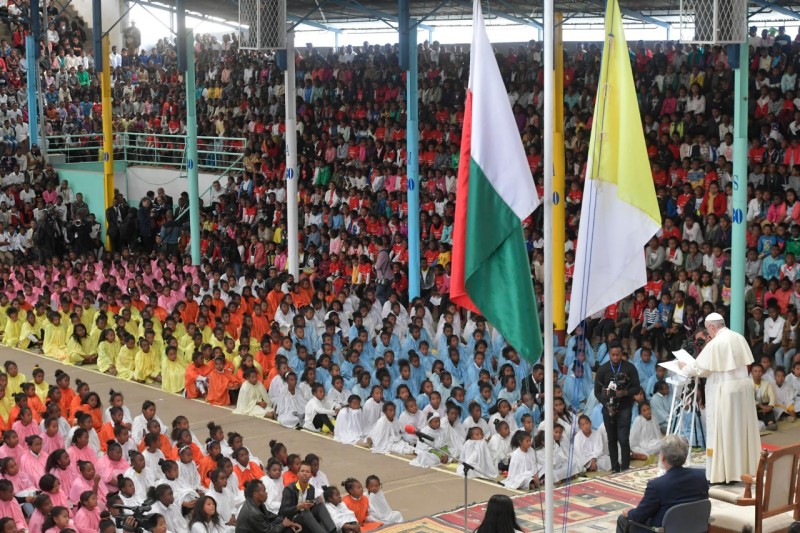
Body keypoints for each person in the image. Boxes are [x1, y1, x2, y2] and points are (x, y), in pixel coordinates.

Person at [681, 314, 761, 483]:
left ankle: (724, 474)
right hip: (742, 391)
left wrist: (684, 366)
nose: (708, 334)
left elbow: (699, 369)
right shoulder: (738, 337)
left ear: (711, 327)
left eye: (708, 330)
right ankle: (743, 470)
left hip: (725, 394)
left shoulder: (716, 343)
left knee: (724, 432)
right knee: (740, 431)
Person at [616, 435, 709, 533]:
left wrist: (630, 513)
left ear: (662, 457)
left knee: (623, 520)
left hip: (664, 530)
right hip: (695, 528)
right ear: (685, 457)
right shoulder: (700, 477)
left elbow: (638, 517)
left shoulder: (657, 485)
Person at [594, 341, 640, 472]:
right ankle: (615, 468)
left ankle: (625, 468)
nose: (615, 357)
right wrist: (606, 404)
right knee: (611, 439)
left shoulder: (630, 368)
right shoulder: (602, 369)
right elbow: (597, 391)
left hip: (625, 407)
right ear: (609, 354)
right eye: (613, 355)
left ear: (621, 354)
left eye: (618, 355)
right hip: (608, 408)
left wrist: (625, 393)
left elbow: (637, 387)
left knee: (624, 439)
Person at [279, 462, 337, 533]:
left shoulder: (311, 488)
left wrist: (314, 502)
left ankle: (333, 531)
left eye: (307, 472)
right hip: (293, 519)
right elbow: (283, 511)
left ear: (311, 475)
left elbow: (310, 507)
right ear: (298, 473)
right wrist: (298, 507)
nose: (304, 473)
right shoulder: (289, 489)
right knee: (306, 513)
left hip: (307, 518)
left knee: (320, 506)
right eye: (302, 471)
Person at [236, 480, 301, 533]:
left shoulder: (258, 503)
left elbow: (271, 516)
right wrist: (283, 524)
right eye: (264, 491)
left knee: (287, 528)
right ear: (255, 494)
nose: (266, 493)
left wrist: (289, 523)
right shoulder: (253, 513)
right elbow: (268, 531)